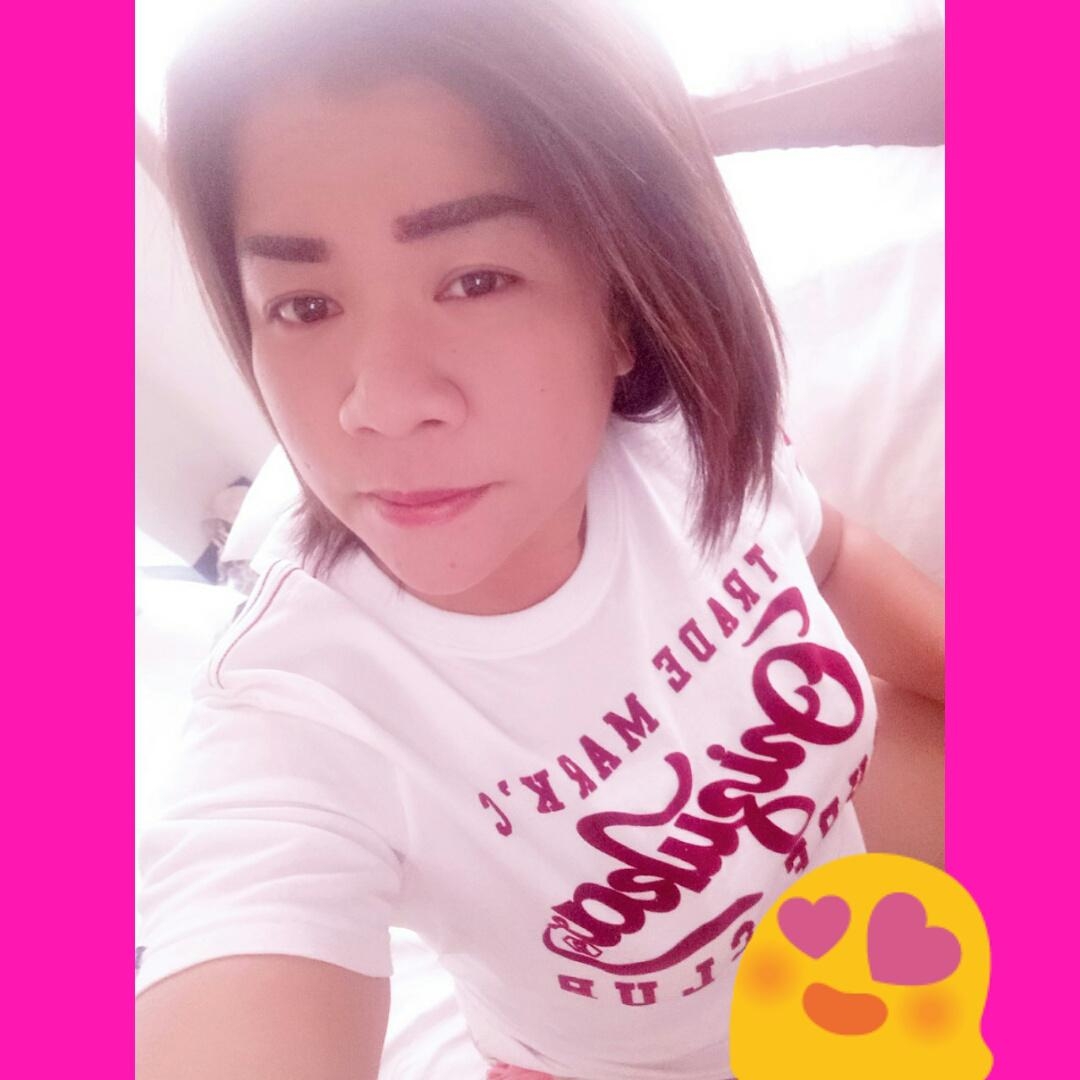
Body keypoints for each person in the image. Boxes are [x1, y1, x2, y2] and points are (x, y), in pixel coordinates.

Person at [134, 1, 944, 1078]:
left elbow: (828, 555)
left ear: (624, 306)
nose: (379, 404)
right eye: (305, 305)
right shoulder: (298, 714)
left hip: (860, 950)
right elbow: (244, 919)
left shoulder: (678, 448)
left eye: (475, 280)